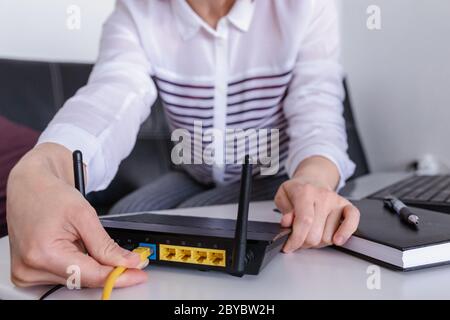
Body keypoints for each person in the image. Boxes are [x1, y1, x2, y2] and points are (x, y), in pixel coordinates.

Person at [7, 0, 360, 288]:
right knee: (123, 217)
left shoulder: (306, 8)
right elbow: (112, 98)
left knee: (197, 217)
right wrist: (44, 166)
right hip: (194, 171)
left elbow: (318, 109)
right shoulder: (136, 12)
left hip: (275, 179)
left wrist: (313, 179)